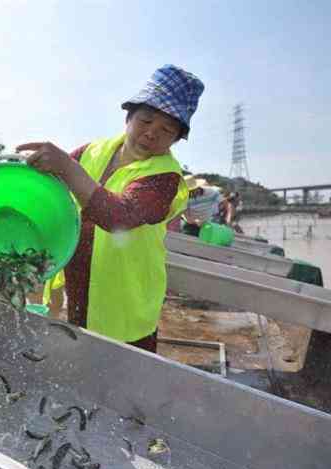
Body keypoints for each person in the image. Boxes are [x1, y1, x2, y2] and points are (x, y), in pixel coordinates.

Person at [18, 64, 204, 353]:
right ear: (129, 116)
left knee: (124, 380)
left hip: (126, 299)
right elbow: (51, 189)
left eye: (166, 129)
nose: (151, 133)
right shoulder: (94, 151)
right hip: (80, 286)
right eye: (145, 120)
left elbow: (118, 216)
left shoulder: (165, 177)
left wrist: (66, 165)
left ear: (177, 138)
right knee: (82, 363)